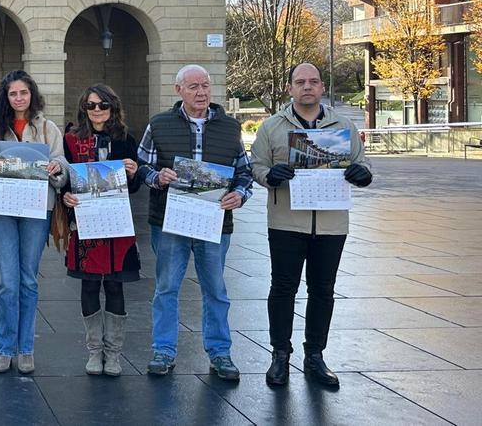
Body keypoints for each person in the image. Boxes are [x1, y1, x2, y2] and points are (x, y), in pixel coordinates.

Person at [252, 63, 372, 388]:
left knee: (322, 291)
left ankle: (315, 357)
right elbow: (257, 164)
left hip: (332, 224)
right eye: (300, 82)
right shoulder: (272, 127)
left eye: (313, 81)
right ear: (290, 88)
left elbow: (362, 162)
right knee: (282, 288)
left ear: (322, 87)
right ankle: (280, 355)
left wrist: (363, 174)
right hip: (286, 222)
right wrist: (268, 176)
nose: (307, 87)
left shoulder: (343, 126)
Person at [138, 64, 253, 382]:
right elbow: (142, 167)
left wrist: (240, 194)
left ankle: (220, 353)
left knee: (215, 289)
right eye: (193, 87)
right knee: (166, 289)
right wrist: (157, 177)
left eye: (205, 85)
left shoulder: (230, 127)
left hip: (214, 220)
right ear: (179, 90)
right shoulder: (159, 125)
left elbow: (245, 171)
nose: (201, 92)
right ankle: (163, 350)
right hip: (169, 221)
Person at [0, 70, 68, 375]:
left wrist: (57, 168)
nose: (19, 98)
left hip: (35, 208)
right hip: (1, 209)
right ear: (6, 97)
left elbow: (63, 165)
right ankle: (5, 348)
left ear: (32, 94)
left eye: (24, 93)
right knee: (7, 282)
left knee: (28, 279)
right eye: (13, 94)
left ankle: (26, 348)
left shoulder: (48, 128)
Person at [54, 85, 142, 377]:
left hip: (117, 223)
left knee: (115, 285)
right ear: (84, 109)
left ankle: (113, 353)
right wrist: (65, 197)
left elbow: (134, 186)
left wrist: (133, 174)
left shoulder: (126, 140)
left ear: (112, 106)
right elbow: (65, 181)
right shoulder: (70, 140)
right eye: (91, 105)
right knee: (90, 284)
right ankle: (94, 351)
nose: (97, 110)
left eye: (102, 104)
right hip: (85, 222)